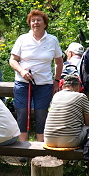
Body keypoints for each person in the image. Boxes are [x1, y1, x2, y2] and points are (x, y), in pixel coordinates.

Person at [9, 9, 63, 142]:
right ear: (29, 23)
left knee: (41, 114)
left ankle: (41, 147)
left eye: (39, 20)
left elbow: (59, 62)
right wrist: (22, 71)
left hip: (44, 84)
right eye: (33, 20)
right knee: (22, 114)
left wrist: (56, 80)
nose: (35, 23)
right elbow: (12, 60)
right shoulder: (22, 39)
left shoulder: (52, 40)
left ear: (45, 24)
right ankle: (23, 148)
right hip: (23, 83)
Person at [44, 75, 89, 148]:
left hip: (48, 140)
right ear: (77, 86)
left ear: (63, 86)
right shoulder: (81, 96)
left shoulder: (56, 96)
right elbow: (88, 123)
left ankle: (63, 159)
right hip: (69, 142)